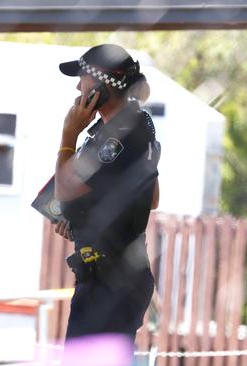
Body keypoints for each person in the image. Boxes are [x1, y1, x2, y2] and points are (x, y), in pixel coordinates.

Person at [52, 44, 161, 345]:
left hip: (110, 286)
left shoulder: (117, 137)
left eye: (83, 79)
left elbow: (63, 189)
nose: (77, 86)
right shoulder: (135, 126)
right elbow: (150, 199)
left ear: (101, 85)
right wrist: (81, 217)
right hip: (116, 279)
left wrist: (68, 134)